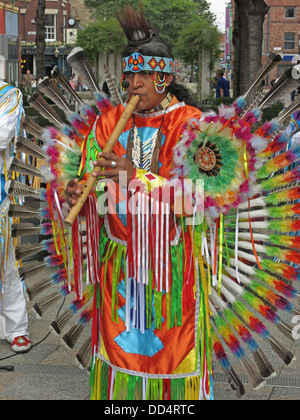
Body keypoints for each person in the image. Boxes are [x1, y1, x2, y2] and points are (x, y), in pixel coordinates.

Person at [64, 7, 210, 400]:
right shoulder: (109, 122)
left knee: (169, 359)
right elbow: (91, 181)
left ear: (164, 78)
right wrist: (78, 192)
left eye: (143, 76)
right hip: (120, 264)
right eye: (129, 75)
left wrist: (138, 177)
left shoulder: (192, 124)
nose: (133, 84)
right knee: (120, 362)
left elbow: (198, 197)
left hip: (171, 268)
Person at [0, 82, 31, 353]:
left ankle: (17, 328)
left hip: (4, 198)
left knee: (10, 265)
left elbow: (3, 133)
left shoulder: (9, 94)